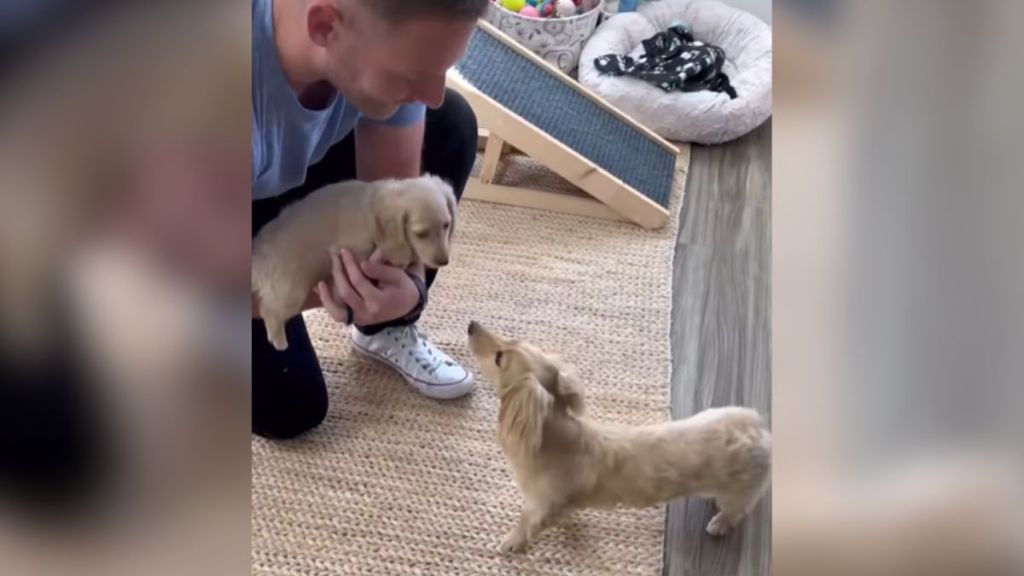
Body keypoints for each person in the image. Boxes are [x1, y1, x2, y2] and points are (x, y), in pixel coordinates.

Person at [251, 0, 489, 439]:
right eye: (411, 73)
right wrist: (315, 290)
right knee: (291, 408)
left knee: (449, 122)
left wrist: (410, 289)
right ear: (325, 26)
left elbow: (395, 190)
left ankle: (383, 328)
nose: (431, 92)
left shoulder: (378, 40)